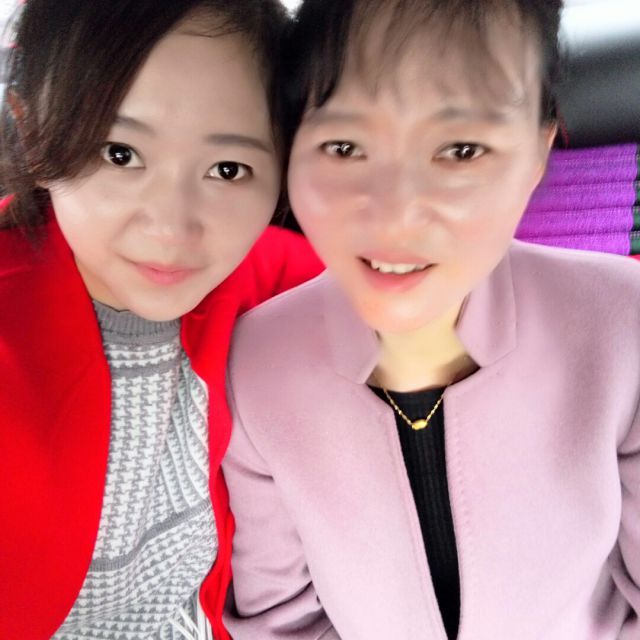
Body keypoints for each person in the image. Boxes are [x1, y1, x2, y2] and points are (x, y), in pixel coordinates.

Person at [221, 0, 640, 638]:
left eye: (462, 150)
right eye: (344, 146)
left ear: (537, 153)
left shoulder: (625, 328)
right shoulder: (255, 368)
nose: (396, 214)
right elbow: (282, 621)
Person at [0, 1, 322, 638]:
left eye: (228, 170)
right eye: (120, 154)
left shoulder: (264, 277)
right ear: (33, 133)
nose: (172, 228)